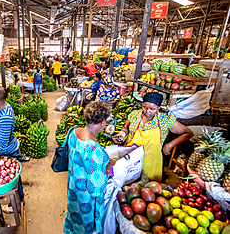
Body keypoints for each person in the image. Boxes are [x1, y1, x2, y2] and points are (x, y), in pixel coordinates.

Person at [116, 92, 194, 182]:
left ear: (159, 108)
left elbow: (188, 133)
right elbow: (125, 128)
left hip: (151, 162)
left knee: (148, 189)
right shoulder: (134, 115)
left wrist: (169, 145)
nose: (147, 111)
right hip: (130, 159)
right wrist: (122, 133)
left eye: (152, 109)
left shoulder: (165, 120)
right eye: (145, 107)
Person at [63, 101, 115, 234]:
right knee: (86, 224)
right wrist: (109, 167)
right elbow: (96, 188)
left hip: (74, 189)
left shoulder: (73, 132)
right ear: (103, 122)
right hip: (86, 199)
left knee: (74, 218)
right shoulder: (93, 149)